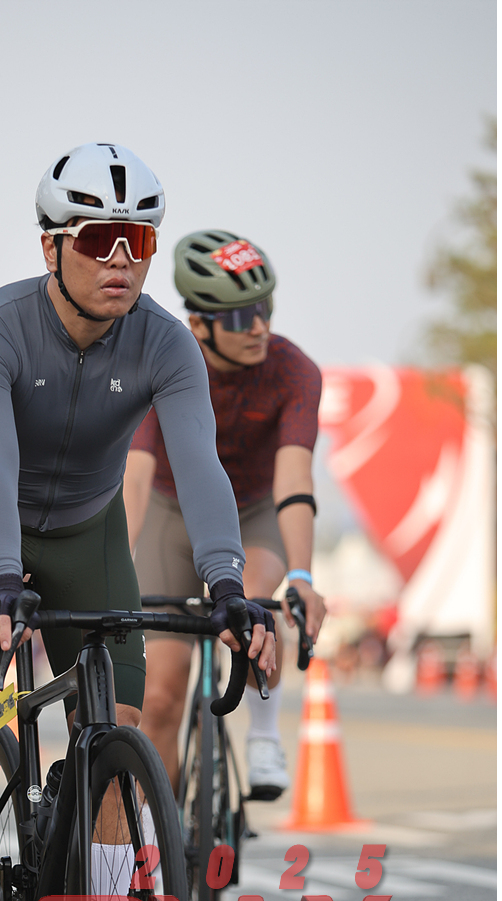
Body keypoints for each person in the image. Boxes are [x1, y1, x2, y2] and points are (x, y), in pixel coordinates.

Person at [0, 144, 275, 901]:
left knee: (116, 738)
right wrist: (2, 579)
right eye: (98, 239)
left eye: (139, 241)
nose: (121, 260)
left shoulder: (164, 342)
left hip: (88, 531)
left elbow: (201, 466)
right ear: (51, 247)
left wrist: (228, 583)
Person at [123, 229, 327, 799]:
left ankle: (263, 731)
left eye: (264, 309)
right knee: (160, 695)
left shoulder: (294, 370)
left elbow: (294, 479)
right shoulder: (163, 362)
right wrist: (110, 565)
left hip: (255, 512)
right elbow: (134, 477)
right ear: (199, 325)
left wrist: (303, 577)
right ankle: (159, 831)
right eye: (239, 317)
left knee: (255, 601)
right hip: (172, 513)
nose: (259, 326)